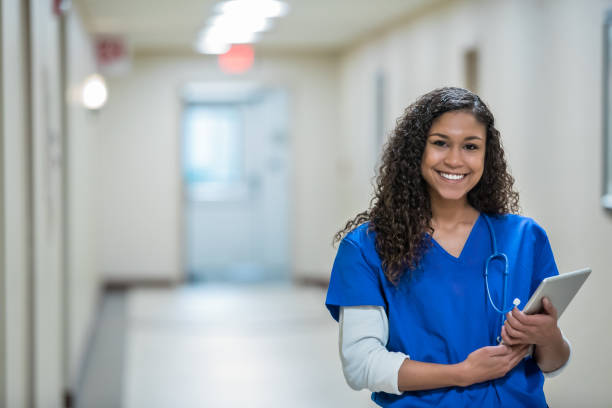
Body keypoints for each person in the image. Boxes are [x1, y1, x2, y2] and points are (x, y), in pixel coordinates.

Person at [325, 87, 571, 407]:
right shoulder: (365, 248)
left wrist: (548, 336)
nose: (455, 160)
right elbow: (360, 364)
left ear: (486, 155)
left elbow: (552, 364)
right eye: (440, 143)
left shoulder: (525, 238)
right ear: (417, 151)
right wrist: (461, 373)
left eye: (471, 146)